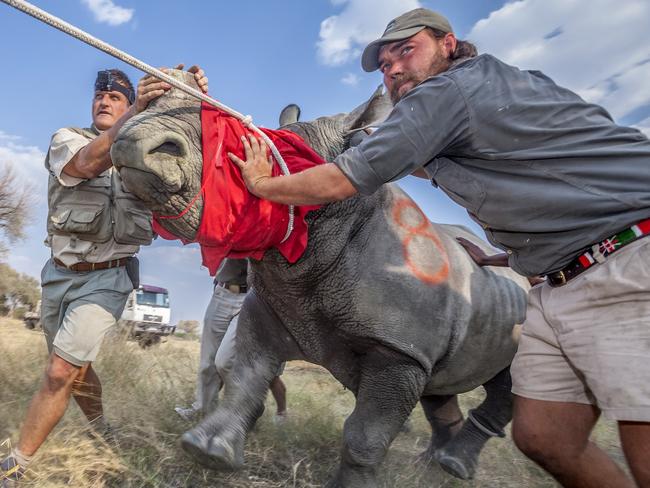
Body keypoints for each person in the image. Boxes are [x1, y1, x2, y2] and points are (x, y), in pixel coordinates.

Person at [226, 8, 650, 488]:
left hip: (630, 259)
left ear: (449, 44)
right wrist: (509, 257)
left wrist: (263, 183)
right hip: (562, 277)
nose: (394, 70)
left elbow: (347, 177)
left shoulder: (450, 91)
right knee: (544, 437)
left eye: (406, 51)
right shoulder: (472, 106)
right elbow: (525, 182)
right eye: (384, 66)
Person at [1, 65, 208, 485]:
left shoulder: (144, 155)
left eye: (116, 98)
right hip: (59, 275)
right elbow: (85, 164)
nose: (104, 101)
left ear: (130, 103)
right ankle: (102, 430)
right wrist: (135, 117)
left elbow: (191, 159)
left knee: (60, 371)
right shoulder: (67, 139)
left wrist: (194, 100)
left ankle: (16, 465)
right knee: (76, 367)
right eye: (100, 95)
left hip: (110, 278)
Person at [174, 258, 288, 423]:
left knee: (225, 361)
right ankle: (203, 411)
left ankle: (251, 405)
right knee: (208, 362)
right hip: (222, 292)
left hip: (253, 296)